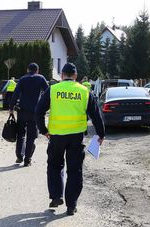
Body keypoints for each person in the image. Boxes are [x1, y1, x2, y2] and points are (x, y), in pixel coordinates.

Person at [35, 63, 105, 215]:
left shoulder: (53, 89)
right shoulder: (84, 91)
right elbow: (96, 115)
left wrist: (43, 130)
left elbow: (38, 110)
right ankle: (71, 205)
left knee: (54, 165)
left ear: (62, 75)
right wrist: (101, 134)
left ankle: (56, 196)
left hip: (56, 136)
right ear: (75, 76)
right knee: (74, 170)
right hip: (76, 136)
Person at [9, 63, 48, 167]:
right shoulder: (41, 78)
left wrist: (11, 108)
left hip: (22, 111)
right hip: (35, 112)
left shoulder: (22, 79)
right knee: (31, 136)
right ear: (37, 70)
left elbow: (15, 94)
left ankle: (19, 156)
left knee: (20, 134)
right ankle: (27, 160)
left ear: (27, 70)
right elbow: (48, 93)